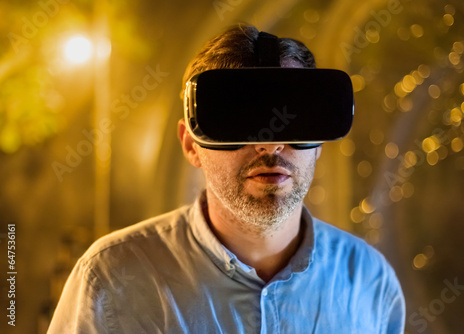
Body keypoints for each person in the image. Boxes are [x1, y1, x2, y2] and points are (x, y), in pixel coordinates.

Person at [48, 24, 405, 333]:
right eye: (238, 120)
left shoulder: (371, 283)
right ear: (190, 145)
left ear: (319, 145)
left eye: (292, 120)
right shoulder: (111, 281)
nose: (271, 143)